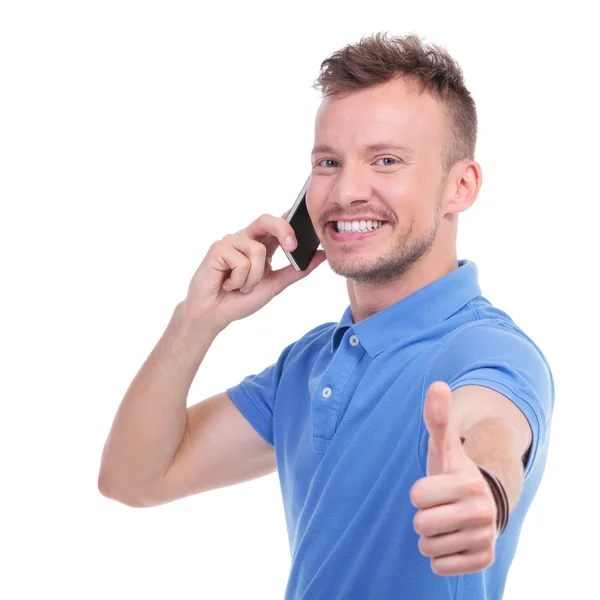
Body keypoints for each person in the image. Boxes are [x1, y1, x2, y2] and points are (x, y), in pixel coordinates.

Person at [98, 32, 554, 600]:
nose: (346, 190)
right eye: (328, 162)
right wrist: (197, 321)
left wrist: (484, 491)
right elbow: (133, 478)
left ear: (460, 186)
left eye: (386, 160)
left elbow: (492, 427)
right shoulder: (309, 364)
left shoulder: (489, 348)